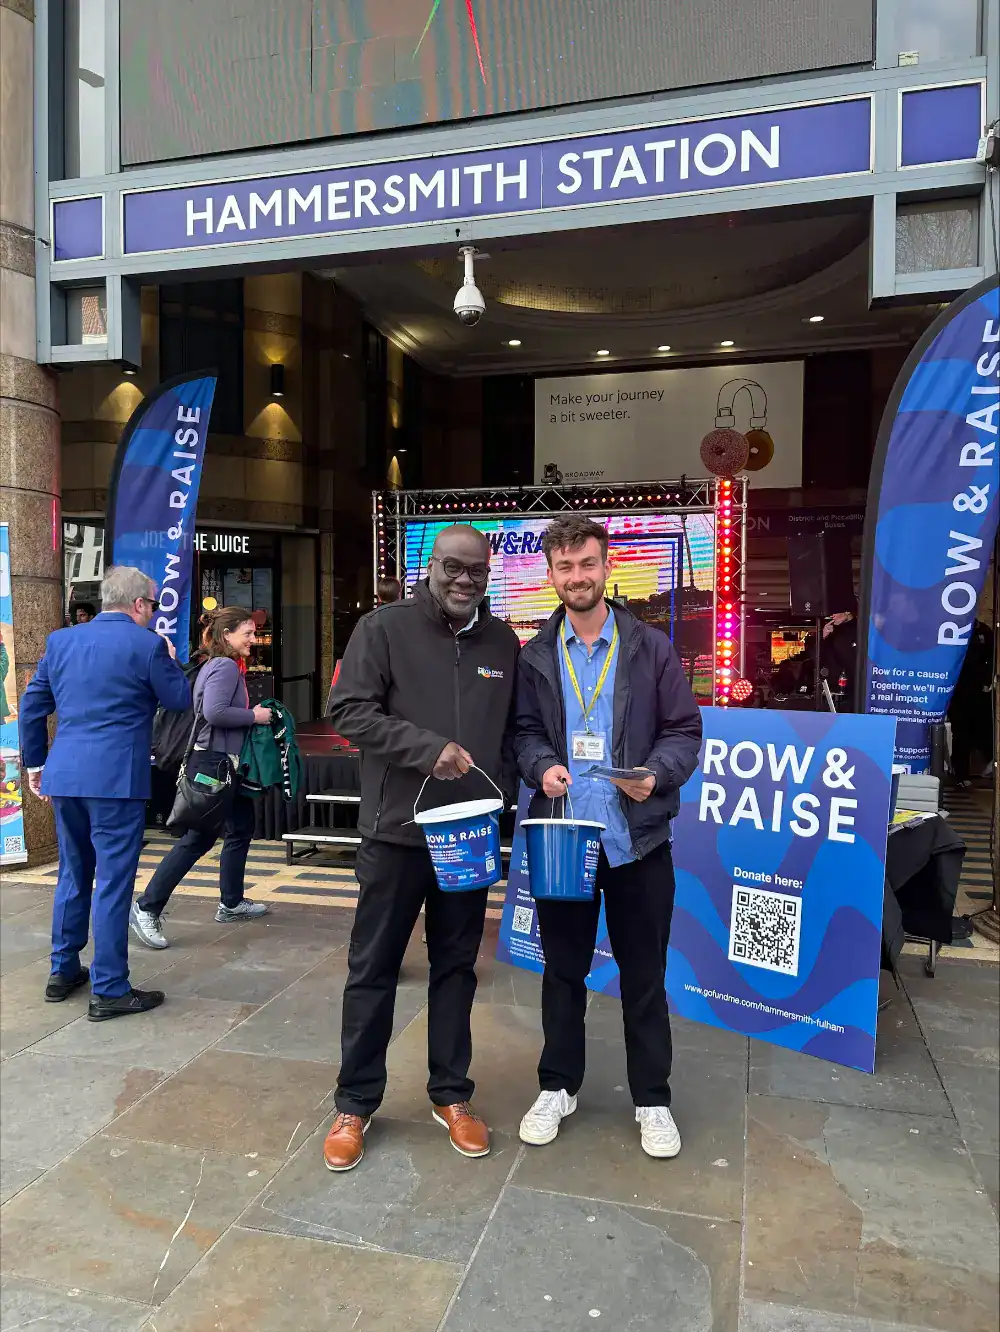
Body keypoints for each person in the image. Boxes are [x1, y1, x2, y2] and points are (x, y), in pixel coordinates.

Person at [322, 525, 520, 1172]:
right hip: (397, 835)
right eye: (453, 568)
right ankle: (354, 1105)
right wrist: (424, 749)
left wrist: (520, 787)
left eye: (477, 572)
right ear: (428, 566)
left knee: (457, 968)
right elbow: (347, 710)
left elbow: (514, 729)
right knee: (373, 968)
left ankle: (451, 1096)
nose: (465, 581)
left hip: (468, 836)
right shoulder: (384, 629)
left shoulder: (502, 641)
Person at [512, 515, 702, 1159]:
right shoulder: (535, 654)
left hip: (637, 842)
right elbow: (523, 733)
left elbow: (684, 731)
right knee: (561, 972)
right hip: (565, 841)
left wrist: (658, 774)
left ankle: (653, 1101)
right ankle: (558, 1086)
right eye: (564, 568)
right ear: (550, 575)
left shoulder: (649, 648)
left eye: (587, 564)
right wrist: (541, 766)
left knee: (644, 975)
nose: (577, 577)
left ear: (606, 565)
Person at [19, 566, 191, 1020]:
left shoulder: (61, 641)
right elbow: (179, 699)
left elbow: (32, 706)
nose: (152, 612)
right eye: (152, 604)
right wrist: (169, 658)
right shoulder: (148, 645)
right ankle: (110, 988)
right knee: (113, 881)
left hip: (66, 774)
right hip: (116, 779)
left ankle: (63, 970)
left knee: (73, 873)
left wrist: (36, 764)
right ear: (138, 604)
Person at [129, 606, 273, 948]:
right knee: (198, 838)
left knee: (241, 827)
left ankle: (232, 901)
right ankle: (147, 907)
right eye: (247, 633)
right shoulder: (223, 667)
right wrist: (254, 715)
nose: (254, 639)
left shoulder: (216, 665)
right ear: (227, 635)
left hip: (220, 763)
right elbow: (215, 712)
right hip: (214, 764)